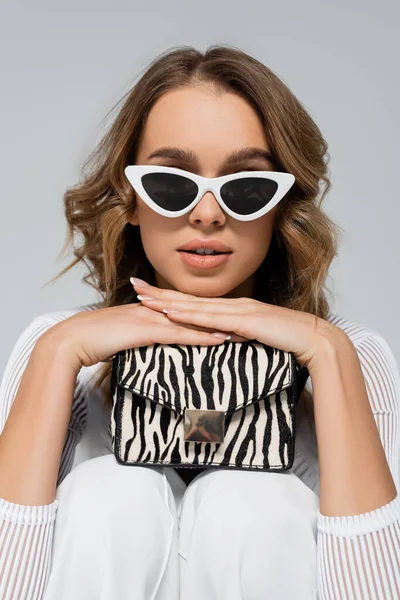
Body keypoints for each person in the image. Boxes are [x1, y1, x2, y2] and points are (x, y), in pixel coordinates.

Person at [0, 44, 399, 600]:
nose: (207, 214)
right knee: (110, 491)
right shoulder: (63, 350)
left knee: (256, 502)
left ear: (281, 206)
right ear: (131, 199)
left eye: (246, 188)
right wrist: (57, 352)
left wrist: (328, 357)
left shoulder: (348, 353)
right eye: (171, 184)